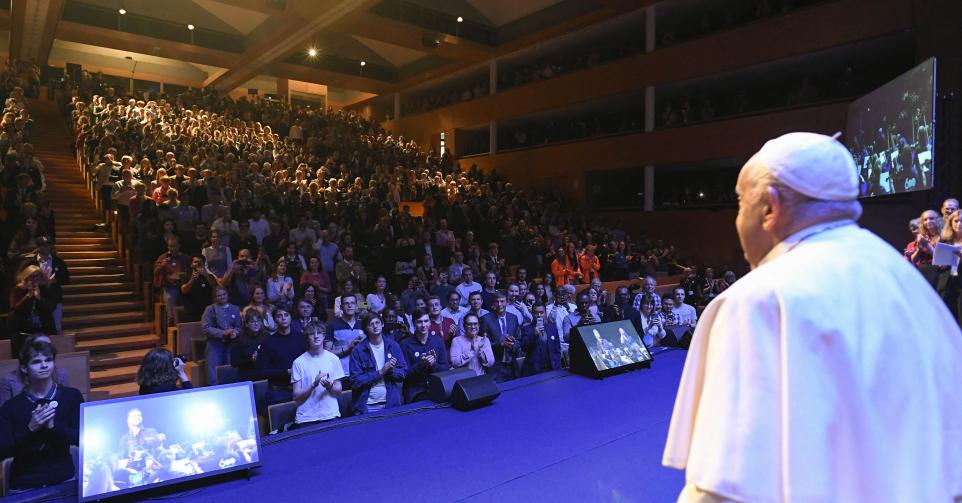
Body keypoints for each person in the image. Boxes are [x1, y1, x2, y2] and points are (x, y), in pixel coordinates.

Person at [664, 132, 962, 502]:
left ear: (770, 208)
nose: (737, 220)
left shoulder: (759, 299)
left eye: (741, 203)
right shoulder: (903, 278)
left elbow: (725, 488)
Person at [0, 339, 83, 491]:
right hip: (24, 484)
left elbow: (82, 439)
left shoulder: (71, 397)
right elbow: (3, 450)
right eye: (36, 361)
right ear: (24, 368)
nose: (44, 365)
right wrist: (30, 428)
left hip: (63, 479)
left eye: (48, 360)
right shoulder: (11, 407)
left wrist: (53, 426)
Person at [349, 313, 408, 415]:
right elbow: (355, 381)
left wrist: (391, 371)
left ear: (382, 324)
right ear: (365, 329)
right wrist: (380, 372)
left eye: (377, 322)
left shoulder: (393, 346)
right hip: (366, 405)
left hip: (390, 403)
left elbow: (402, 374)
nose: (375, 326)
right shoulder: (358, 351)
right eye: (371, 324)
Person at [291, 322, 344, 428]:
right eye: (312, 334)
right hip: (306, 418)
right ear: (307, 338)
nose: (316, 336)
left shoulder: (333, 359)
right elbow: (296, 396)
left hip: (330, 414)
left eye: (319, 333)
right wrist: (313, 385)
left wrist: (330, 386)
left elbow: (338, 390)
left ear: (324, 336)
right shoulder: (298, 362)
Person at [0, 334, 69, 407]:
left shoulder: (60, 373)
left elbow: (66, 402)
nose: (45, 349)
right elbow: (5, 412)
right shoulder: (9, 379)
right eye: (40, 345)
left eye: (48, 345)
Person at [400, 308, 450, 403]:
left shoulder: (438, 341)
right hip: (415, 390)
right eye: (419, 322)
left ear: (430, 322)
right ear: (413, 323)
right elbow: (404, 374)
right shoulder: (405, 344)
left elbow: (446, 369)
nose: (423, 325)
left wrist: (433, 364)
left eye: (426, 321)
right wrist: (421, 364)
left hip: (437, 387)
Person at [23, 236, 69, 334]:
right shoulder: (31, 262)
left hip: (54, 296)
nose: (46, 248)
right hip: (36, 297)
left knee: (56, 326)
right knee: (39, 325)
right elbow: (22, 277)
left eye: (48, 245)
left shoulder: (58, 261)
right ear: (38, 247)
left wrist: (55, 280)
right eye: (43, 246)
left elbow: (66, 278)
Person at [201, 286, 242, 385]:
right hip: (214, 343)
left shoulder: (235, 309)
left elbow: (238, 326)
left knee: (231, 367)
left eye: (224, 294)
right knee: (213, 369)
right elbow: (206, 328)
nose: (222, 297)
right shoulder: (210, 309)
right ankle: (213, 388)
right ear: (215, 297)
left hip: (231, 342)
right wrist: (223, 333)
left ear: (228, 295)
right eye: (219, 295)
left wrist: (235, 332)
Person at [480, 292, 522, 382]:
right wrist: (501, 344)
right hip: (495, 367)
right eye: (497, 302)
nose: (499, 304)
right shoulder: (486, 319)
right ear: (493, 303)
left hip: (511, 365)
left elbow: (519, 338)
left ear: (507, 302)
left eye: (502, 301)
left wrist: (513, 345)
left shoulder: (513, 318)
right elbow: (483, 344)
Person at [153, 236, 190, 326]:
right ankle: (171, 322)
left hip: (183, 285)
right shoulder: (163, 257)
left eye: (174, 246)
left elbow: (190, 270)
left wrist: (184, 274)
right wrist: (161, 265)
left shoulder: (184, 258)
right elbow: (155, 272)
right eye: (170, 246)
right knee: (170, 298)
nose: (172, 248)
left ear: (179, 246)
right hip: (169, 286)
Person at [326, 293, 365, 376]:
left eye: (352, 303)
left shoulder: (364, 324)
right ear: (341, 307)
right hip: (341, 373)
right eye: (346, 303)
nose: (350, 306)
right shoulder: (332, 325)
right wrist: (348, 348)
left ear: (356, 306)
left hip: (362, 372)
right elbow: (326, 354)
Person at [519, 304, 562, 376]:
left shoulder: (552, 327)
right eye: (536, 313)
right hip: (534, 370)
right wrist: (534, 334)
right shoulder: (527, 329)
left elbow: (557, 349)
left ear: (545, 313)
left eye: (541, 312)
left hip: (552, 368)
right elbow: (524, 348)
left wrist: (556, 364)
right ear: (532, 313)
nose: (539, 315)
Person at [231, 309, 267, 382]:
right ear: (246, 324)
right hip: (246, 376)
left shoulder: (266, 336)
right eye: (252, 322)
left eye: (258, 321)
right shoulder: (239, 339)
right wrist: (251, 360)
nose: (256, 324)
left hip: (264, 375)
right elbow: (234, 362)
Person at [179, 254, 218, 323]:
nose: (198, 264)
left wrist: (206, 275)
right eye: (195, 262)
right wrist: (192, 280)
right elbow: (184, 291)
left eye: (200, 262)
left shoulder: (209, 276)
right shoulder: (186, 275)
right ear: (191, 264)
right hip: (191, 312)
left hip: (206, 311)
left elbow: (214, 287)